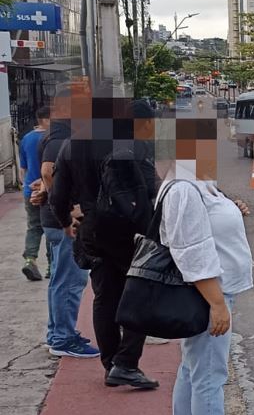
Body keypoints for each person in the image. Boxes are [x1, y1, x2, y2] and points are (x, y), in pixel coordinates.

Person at [157, 147, 254, 415]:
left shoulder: (199, 183)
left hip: (215, 289)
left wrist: (232, 208)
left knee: (191, 370)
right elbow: (190, 250)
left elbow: (209, 227)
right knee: (209, 376)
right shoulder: (184, 188)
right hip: (209, 293)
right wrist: (215, 304)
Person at [51, 95, 159, 389]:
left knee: (105, 297)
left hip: (92, 230)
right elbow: (150, 190)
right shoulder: (129, 144)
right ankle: (126, 362)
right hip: (128, 232)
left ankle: (111, 363)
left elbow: (57, 196)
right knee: (140, 294)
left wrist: (65, 223)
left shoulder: (71, 145)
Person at [32, 97, 99, 358]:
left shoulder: (59, 134)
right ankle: (63, 337)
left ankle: (57, 333)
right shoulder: (60, 136)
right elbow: (48, 172)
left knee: (61, 280)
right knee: (70, 281)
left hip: (55, 219)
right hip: (64, 223)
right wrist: (67, 210)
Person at [18, 109, 51, 281]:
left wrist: (25, 186)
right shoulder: (51, 138)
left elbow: (23, 168)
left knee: (33, 226)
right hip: (48, 187)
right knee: (52, 226)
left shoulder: (26, 138)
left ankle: (30, 260)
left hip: (29, 189)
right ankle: (52, 265)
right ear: (46, 119)